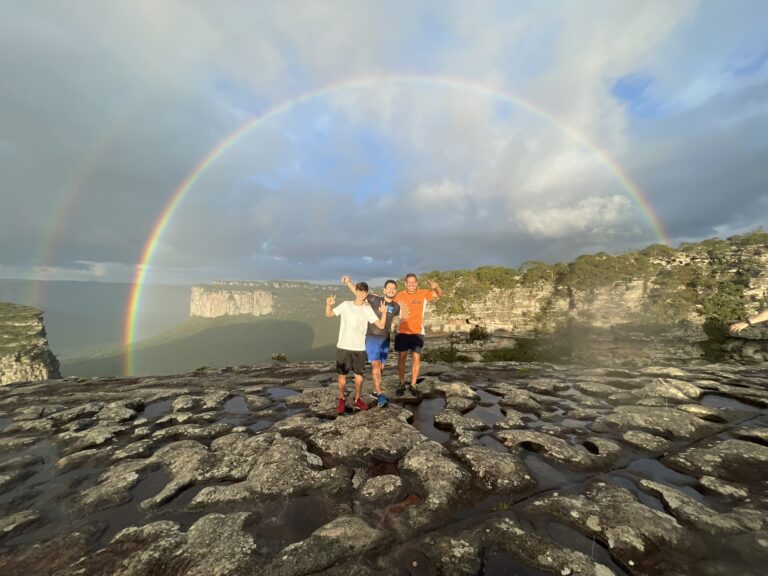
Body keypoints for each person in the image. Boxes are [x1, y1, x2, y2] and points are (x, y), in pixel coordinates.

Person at [326, 282, 387, 415]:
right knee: (342, 376)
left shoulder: (367, 309)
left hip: (359, 348)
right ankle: (341, 399)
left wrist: (384, 313)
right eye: (359, 291)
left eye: (364, 292)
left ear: (366, 294)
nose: (361, 293)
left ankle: (357, 399)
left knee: (359, 377)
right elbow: (329, 314)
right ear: (356, 291)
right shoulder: (346, 305)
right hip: (343, 346)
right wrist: (329, 305)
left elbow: (381, 326)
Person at [342, 276, 402, 407]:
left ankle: (375, 390)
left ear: (396, 291)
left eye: (393, 288)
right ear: (384, 290)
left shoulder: (396, 306)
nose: (391, 290)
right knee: (375, 365)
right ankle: (380, 394)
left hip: (385, 339)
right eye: (389, 288)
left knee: (381, 367)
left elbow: (396, 318)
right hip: (372, 338)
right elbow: (359, 293)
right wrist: (348, 283)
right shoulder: (375, 299)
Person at [394, 273, 443, 397]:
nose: (411, 284)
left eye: (413, 282)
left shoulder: (423, 293)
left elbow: (439, 294)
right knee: (402, 358)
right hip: (403, 332)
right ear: (405, 284)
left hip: (417, 332)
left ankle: (413, 384)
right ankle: (401, 383)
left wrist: (436, 287)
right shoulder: (400, 295)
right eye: (409, 282)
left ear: (417, 283)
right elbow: (391, 308)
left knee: (416, 358)